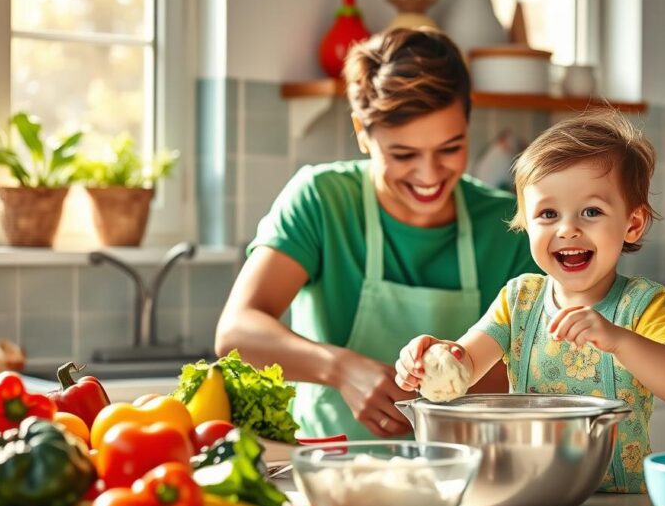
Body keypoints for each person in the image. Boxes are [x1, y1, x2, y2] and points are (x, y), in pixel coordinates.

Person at [215, 28, 538, 440]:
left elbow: (540, 368)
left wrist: (451, 368)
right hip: (331, 468)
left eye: (450, 148)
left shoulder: (510, 225)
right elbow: (236, 333)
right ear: (363, 133)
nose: (429, 175)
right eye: (403, 154)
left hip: (469, 478)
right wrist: (341, 368)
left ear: (468, 121)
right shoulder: (321, 200)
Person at [395, 109, 665, 493]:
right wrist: (432, 359)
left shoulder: (640, 303)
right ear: (526, 224)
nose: (568, 229)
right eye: (547, 214)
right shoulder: (519, 299)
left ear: (632, 223)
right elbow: (467, 362)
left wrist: (619, 340)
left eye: (591, 211)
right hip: (531, 490)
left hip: (618, 503)